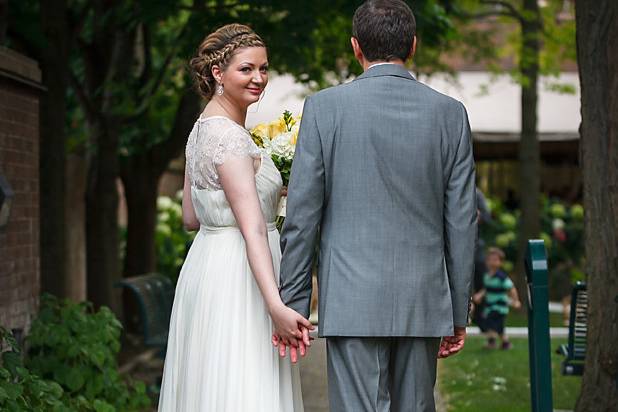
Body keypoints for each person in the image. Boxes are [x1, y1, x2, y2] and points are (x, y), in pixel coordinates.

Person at [276, 1, 477, 411]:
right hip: (422, 299)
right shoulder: (450, 114)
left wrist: (293, 303)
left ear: (355, 47)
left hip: (351, 296)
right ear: (413, 45)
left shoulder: (324, 109)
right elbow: (461, 221)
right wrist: (458, 311)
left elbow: (302, 217)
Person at [157, 24, 311, 411]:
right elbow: (254, 228)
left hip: (208, 265)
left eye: (263, 68)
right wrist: (276, 305)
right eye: (246, 69)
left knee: (215, 379)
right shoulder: (230, 137)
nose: (259, 78)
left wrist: (272, 189)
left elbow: (191, 218)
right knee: (246, 381)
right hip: (242, 277)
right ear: (217, 73)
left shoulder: (199, 131)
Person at [472, 247, 522, 350]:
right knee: (498, 327)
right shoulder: (487, 276)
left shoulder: (501, 277)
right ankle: (505, 343)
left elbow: (511, 288)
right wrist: (479, 295)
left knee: (490, 322)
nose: (491, 262)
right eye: (489, 260)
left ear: (500, 262)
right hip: (490, 305)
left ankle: (492, 342)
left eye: (495, 260)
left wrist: (516, 301)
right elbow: (486, 289)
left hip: (499, 306)